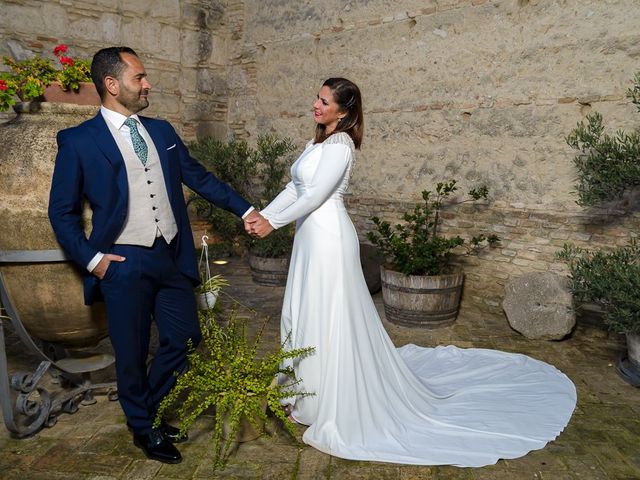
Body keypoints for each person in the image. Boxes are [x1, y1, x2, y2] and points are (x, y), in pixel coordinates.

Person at [245, 78, 577, 466]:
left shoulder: (341, 146)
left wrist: (275, 223)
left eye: (323, 101)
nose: (315, 105)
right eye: (317, 98)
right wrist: (263, 214)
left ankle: (324, 403)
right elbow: (294, 186)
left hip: (329, 238)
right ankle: (303, 394)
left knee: (327, 315)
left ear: (345, 111)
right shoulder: (316, 142)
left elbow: (316, 195)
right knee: (304, 311)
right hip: (308, 237)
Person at [48, 46, 263, 464]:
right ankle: (145, 428)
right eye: (139, 78)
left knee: (185, 338)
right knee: (131, 351)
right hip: (122, 262)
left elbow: (198, 177)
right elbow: (62, 212)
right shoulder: (77, 141)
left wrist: (246, 209)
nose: (147, 85)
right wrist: (94, 260)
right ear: (111, 85)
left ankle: (145, 410)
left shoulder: (161, 132)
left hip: (170, 255)